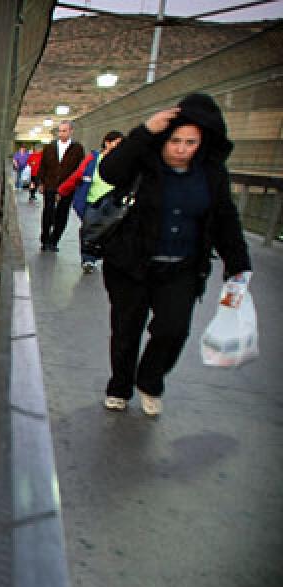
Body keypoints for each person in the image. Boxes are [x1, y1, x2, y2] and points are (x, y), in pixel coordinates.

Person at [96, 94, 251, 417]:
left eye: (190, 142)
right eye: (175, 140)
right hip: (131, 264)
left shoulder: (211, 174)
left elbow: (225, 218)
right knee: (126, 330)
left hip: (181, 267)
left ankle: (150, 382)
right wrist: (145, 131)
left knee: (173, 328)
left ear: (203, 142)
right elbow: (110, 171)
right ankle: (119, 387)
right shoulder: (143, 162)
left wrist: (238, 264)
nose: (181, 149)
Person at [57, 130, 123, 273]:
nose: (119, 148)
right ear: (107, 143)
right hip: (92, 201)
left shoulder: (123, 162)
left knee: (112, 231)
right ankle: (88, 259)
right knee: (89, 230)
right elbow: (78, 175)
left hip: (113, 201)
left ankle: (106, 256)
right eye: (117, 144)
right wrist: (63, 190)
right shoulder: (93, 159)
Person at [38, 120, 86, 251]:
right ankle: (45, 239)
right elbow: (43, 166)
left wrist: (76, 185)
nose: (61, 133)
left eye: (64, 131)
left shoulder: (77, 148)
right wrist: (41, 182)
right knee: (48, 212)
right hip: (50, 184)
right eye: (60, 131)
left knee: (62, 214)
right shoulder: (49, 147)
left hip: (67, 186)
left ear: (70, 131)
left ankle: (54, 241)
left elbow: (80, 168)